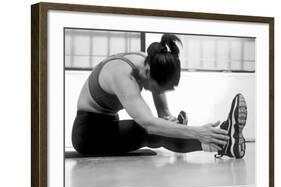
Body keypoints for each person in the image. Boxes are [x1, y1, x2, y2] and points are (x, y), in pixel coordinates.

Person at [71, 34, 247, 158]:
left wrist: (170, 120)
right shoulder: (121, 75)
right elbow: (149, 124)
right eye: (159, 88)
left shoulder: (151, 62)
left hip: (109, 123)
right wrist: (196, 131)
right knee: (149, 131)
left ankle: (223, 141)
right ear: (147, 72)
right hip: (88, 134)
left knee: (162, 127)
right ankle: (224, 142)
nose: (158, 92)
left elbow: (162, 113)